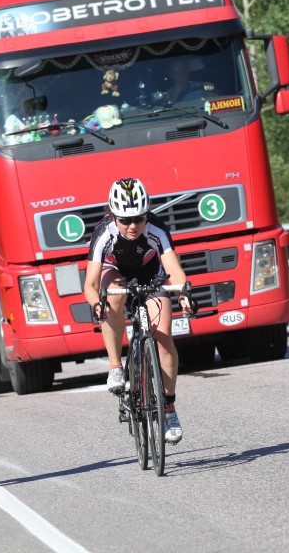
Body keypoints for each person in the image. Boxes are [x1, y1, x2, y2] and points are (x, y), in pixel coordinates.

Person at [83, 178, 193, 445]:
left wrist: (183, 294)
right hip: (116, 274)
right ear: (113, 215)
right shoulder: (104, 232)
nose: (132, 226)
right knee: (112, 298)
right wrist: (96, 303)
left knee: (164, 338)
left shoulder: (157, 228)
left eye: (139, 219)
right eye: (125, 220)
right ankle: (115, 366)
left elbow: (174, 269)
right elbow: (90, 284)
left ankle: (168, 408)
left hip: (150, 277)